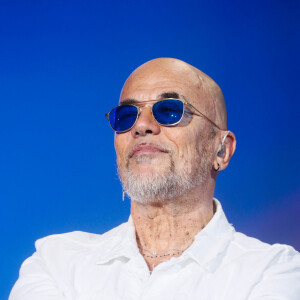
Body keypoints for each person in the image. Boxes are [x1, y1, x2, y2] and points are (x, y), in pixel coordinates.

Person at [10, 58, 300, 299]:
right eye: (126, 116)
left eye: (170, 111)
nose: (142, 125)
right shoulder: (56, 262)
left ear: (221, 150)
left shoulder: (274, 271)